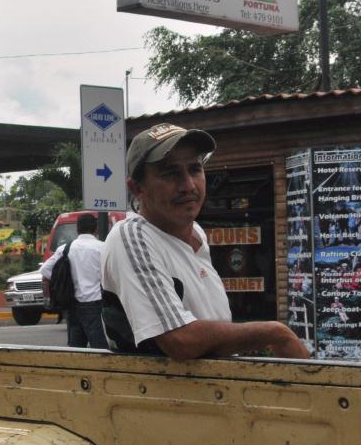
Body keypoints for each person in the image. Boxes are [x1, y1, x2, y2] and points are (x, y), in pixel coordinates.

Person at [101, 123, 310, 361]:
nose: (188, 186)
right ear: (136, 187)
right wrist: (274, 333)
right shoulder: (132, 236)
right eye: (170, 173)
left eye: (195, 169)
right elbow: (180, 341)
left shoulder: (197, 235)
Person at [39, 213, 106, 349]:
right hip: (96, 304)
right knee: (101, 348)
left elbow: (45, 269)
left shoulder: (65, 249)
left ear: (77, 229)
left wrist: (64, 281)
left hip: (72, 305)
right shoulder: (102, 248)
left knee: (76, 350)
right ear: (96, 229)